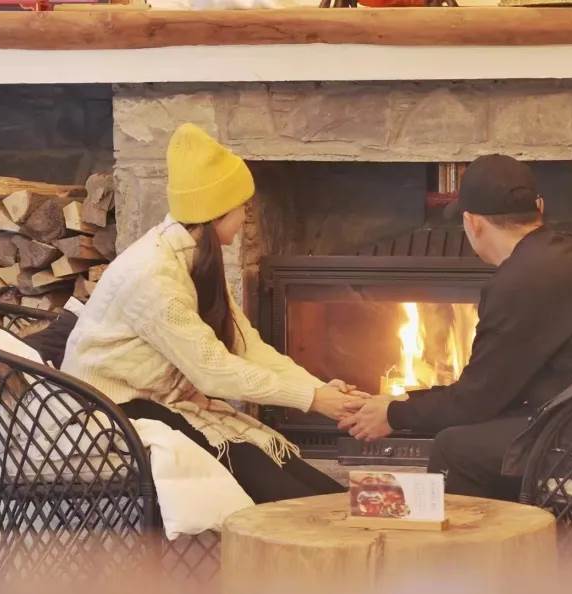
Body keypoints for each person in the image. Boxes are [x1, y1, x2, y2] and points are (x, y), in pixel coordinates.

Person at [62, 123, 364, 503]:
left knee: (304, 478)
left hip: (155, 398)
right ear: (216, 212)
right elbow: (213, 372)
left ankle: (344, 522)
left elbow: (246, 346)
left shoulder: (193, 257)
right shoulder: (154, 275)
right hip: (114, 408)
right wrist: (312, 399)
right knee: (275, 485)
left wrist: (318, 389)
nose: (246, 218)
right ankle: (305, 536)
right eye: (243, 208)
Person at [340, 154, 572, 501]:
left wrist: (394, 413)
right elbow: (492, 391)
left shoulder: (523, 280)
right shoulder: (556, 260)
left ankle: (474, 539)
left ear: (472, 223)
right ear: (539, 208)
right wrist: (404, 402)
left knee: (456, 449)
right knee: (483, 436)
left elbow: (474, 401)